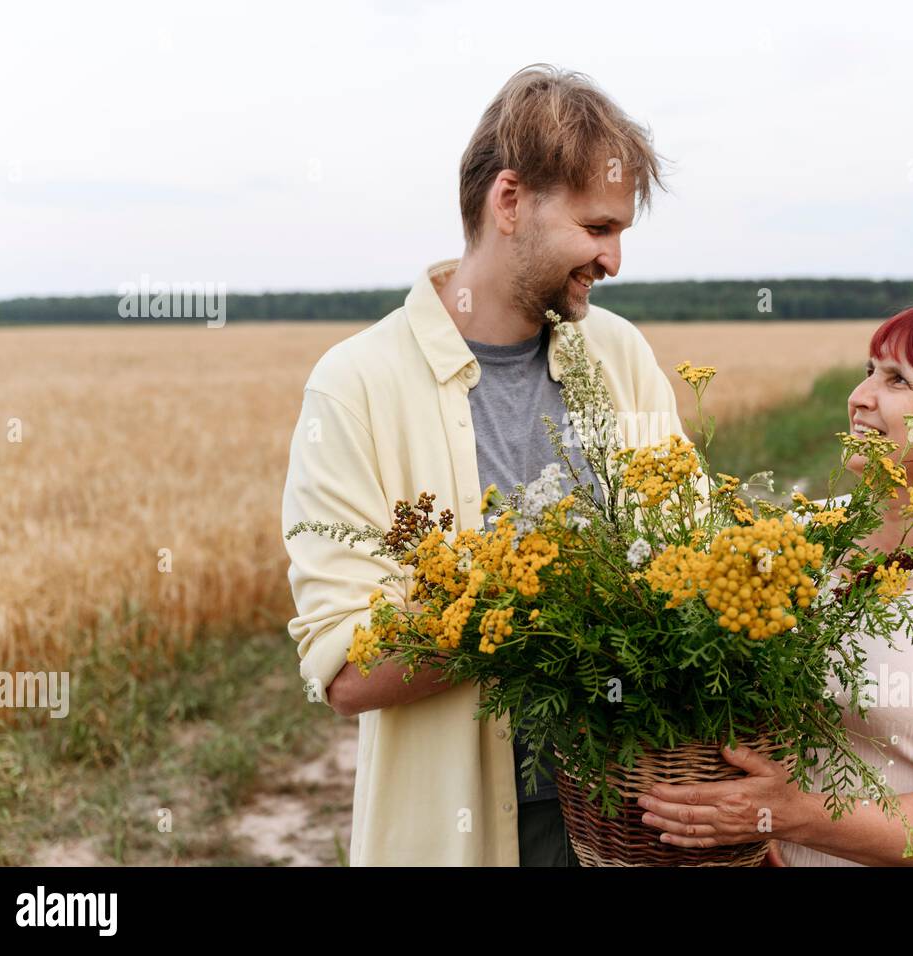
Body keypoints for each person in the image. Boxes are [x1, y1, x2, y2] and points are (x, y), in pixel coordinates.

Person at [282, 64, 685, 866]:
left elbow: (691, 559)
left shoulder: (620, 355)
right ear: (510, 202)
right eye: (598, 228)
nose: (613, 260)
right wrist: (541, 603)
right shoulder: (357, 385)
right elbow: (347, 670)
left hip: (637, 815)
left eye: (621, 234)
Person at [636, 304, 913, 866]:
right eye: (869, 370)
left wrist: (791, 814)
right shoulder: (802, 534)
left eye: (897, 380)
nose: (861, 396)